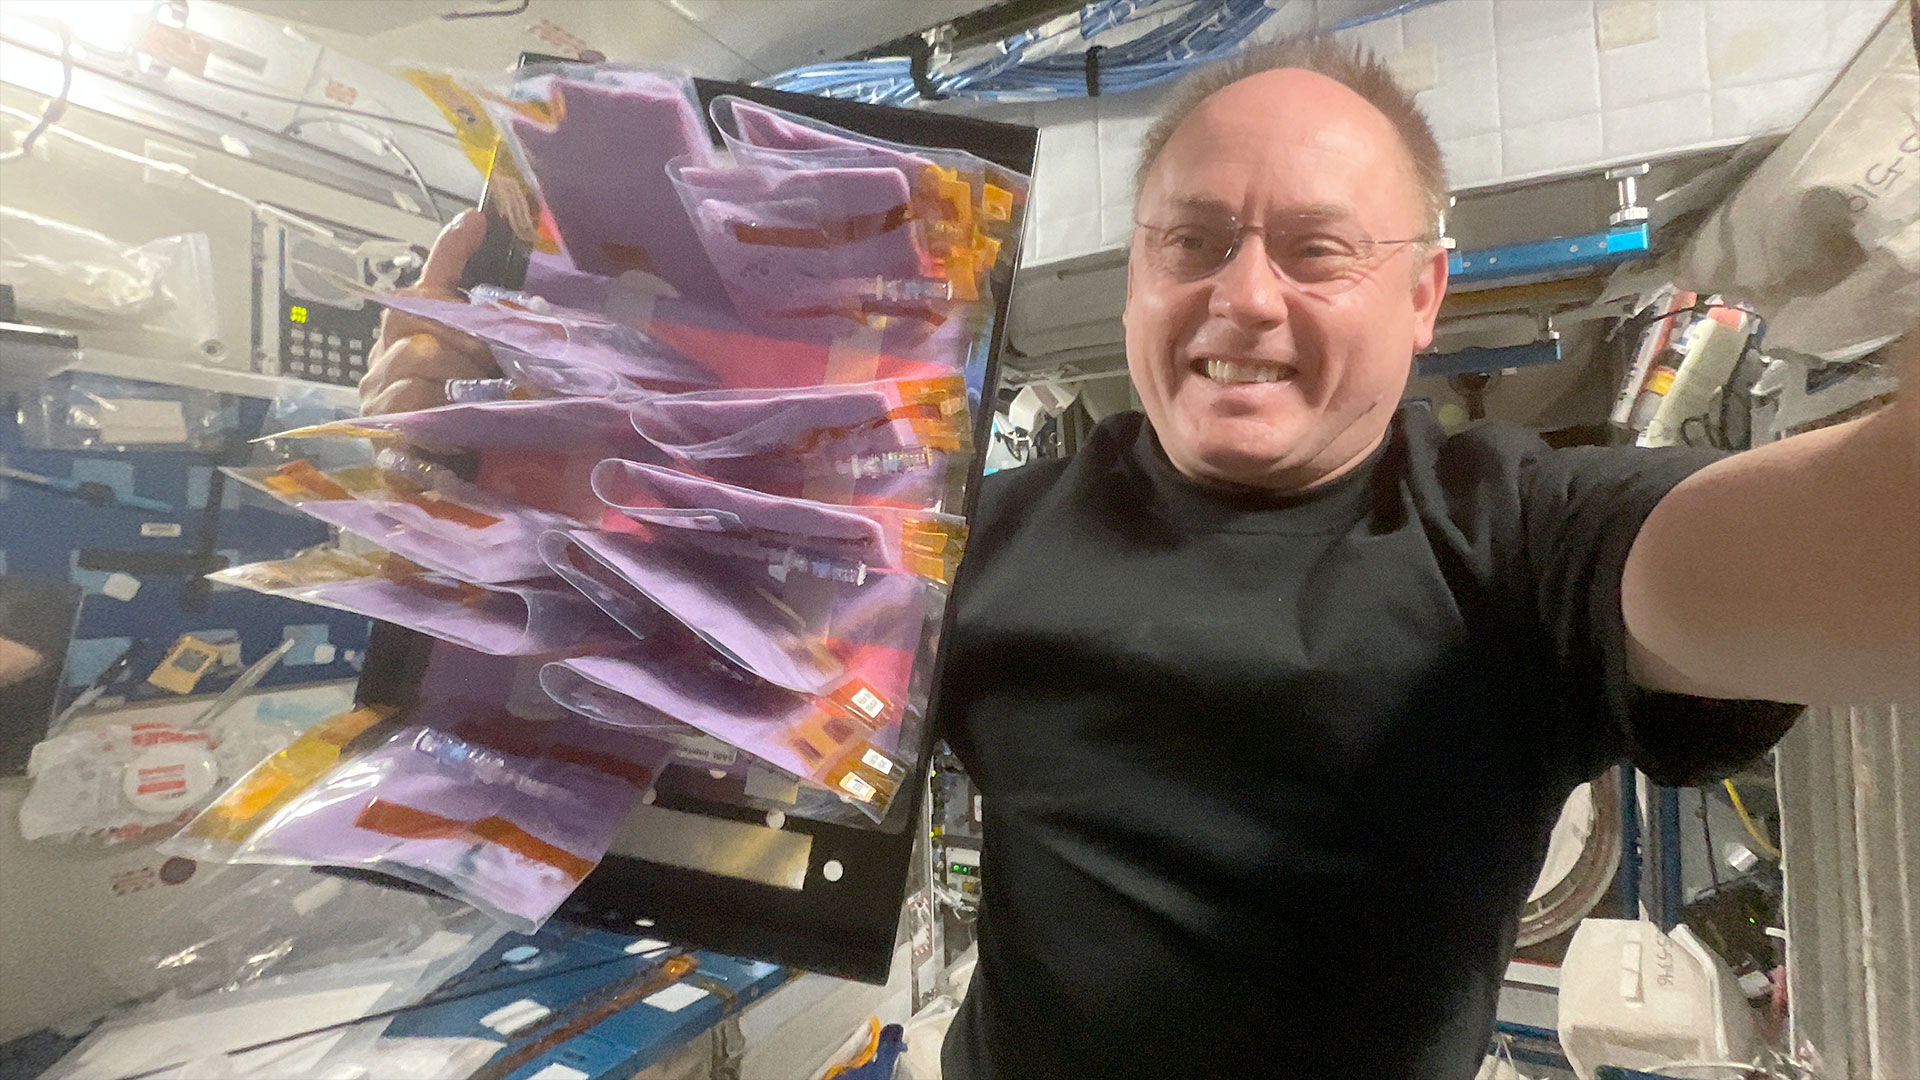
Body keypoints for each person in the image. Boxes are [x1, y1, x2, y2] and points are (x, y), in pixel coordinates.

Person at [364, 36, 1918, 1080]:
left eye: (1315, 249)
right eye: (1193, 241)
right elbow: (643, 703)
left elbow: (1860, 550)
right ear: (1135, 284)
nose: (1243, 297)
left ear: (1425, 295)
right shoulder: (974, 541)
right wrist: (489, 492)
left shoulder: (1524, 537)